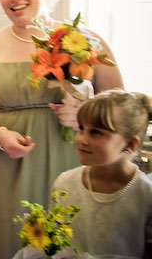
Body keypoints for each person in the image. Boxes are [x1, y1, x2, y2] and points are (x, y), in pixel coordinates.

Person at [0, 0, 124, 259]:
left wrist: (84, 118)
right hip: (2, 168)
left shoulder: (85, 40)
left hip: (70, 162)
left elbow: (119, 109)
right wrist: (0, 137)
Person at [52, 89, 152, 258]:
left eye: (96, 132)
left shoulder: (146, 196)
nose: (81, 139)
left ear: (130, 143)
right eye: (82, 128)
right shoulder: (64, 185)